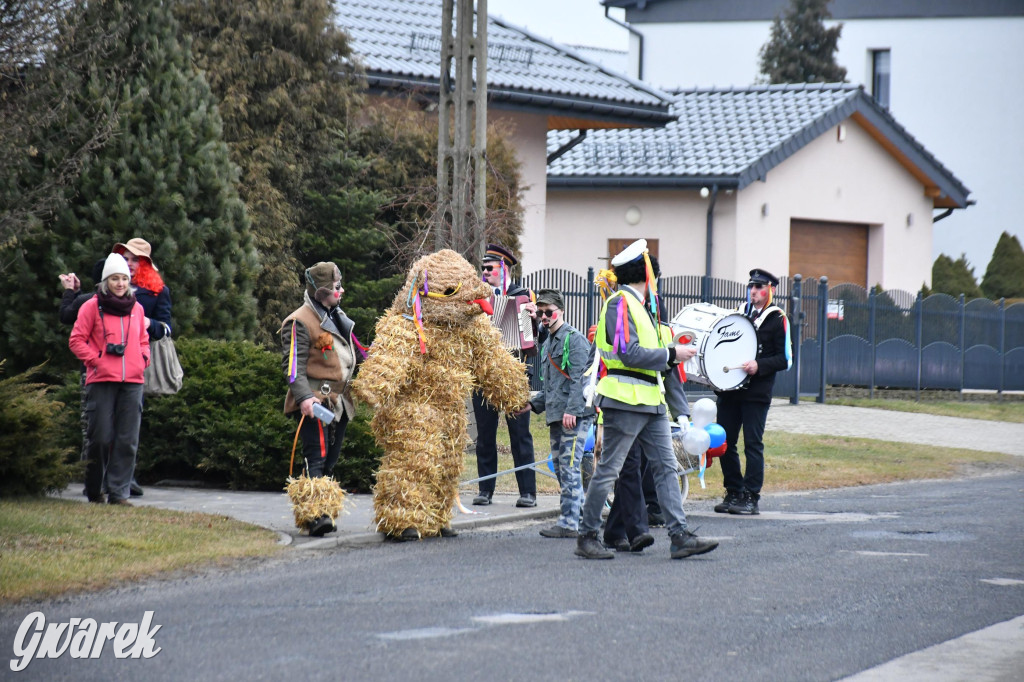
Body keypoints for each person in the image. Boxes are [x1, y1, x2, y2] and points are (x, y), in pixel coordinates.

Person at [575, 239, 718, 560]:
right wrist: (672, 353)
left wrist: (681, 411)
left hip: (651, 402)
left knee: (665, 469)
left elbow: (660, 365)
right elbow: (629, 353)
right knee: (609, 470)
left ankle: (679, 535)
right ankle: (586, 536)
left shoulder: (643, 307)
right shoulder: (621, 303)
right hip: (624, 401)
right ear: (647, 273)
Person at [280, 262, 362, 537]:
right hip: (316, 402)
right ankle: (316, 517)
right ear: (323, 291)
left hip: (340, 402)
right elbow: (293, 367)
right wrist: (305, 398)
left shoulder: (336, 314)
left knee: (330, 461)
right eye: (337, 287)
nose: (342, 290)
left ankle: (323, 510)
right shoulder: (299, 321)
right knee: (316, 458)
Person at [69, 253, 150, 505]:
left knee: (127, 440)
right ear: (106, 281)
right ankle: (95, 488)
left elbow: (143, 340)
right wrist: (96, 360)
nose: (120, 284)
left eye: (124, 279)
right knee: (101, 438)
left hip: (133, 382)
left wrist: (143, 359)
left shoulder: (137, 308)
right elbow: (76, 340)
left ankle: (119, 493)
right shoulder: (91, 307)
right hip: (101, 380)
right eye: (115, 279)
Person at [714, 268, 793, 516]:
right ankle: (734, 491)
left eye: (759, 287)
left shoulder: (777, 318)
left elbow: (785, 359)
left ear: (771, 290)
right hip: (730, 389)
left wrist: (759, 365)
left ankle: (751, 496)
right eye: (751, 287)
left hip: (756, 392)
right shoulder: (739, 314)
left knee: (752, 444)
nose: (754, 291)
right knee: (725, 442)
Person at [471, 243, 538, 508]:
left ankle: (528, 492)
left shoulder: (524, 296)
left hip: (514, 374)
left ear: (504, 269)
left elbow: (534, 341)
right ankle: (485, 489)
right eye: (483, 268)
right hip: (484, 375)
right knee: (485, 435)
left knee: (520, 435)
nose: (485, 272)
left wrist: (534, 321)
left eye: (489, 268)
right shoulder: (478, 297)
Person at [528, 289, 595, 538]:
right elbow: (552, 386)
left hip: (575, 416)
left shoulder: (574, 339)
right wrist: (532, 405)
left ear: (561, 311)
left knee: (569, 466)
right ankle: (583, 517)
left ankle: (569, 523)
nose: (544, 317)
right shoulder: (549, 342)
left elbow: (581, 378)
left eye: (549, 311)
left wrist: (573, 410)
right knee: (560, 467)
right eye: (541, 313)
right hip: (558, 415)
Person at [113, 238, 173, 497]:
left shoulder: (158, 291)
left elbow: (167, 328)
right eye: (125, 258)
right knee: (104, 421)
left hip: (137, 362)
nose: (129, 263)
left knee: (130, 421)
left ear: (145, 264)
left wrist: (149, 323)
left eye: (135, 259)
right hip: (107, 361)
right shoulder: (110, 286)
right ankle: (102, 475)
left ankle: (126, 477)